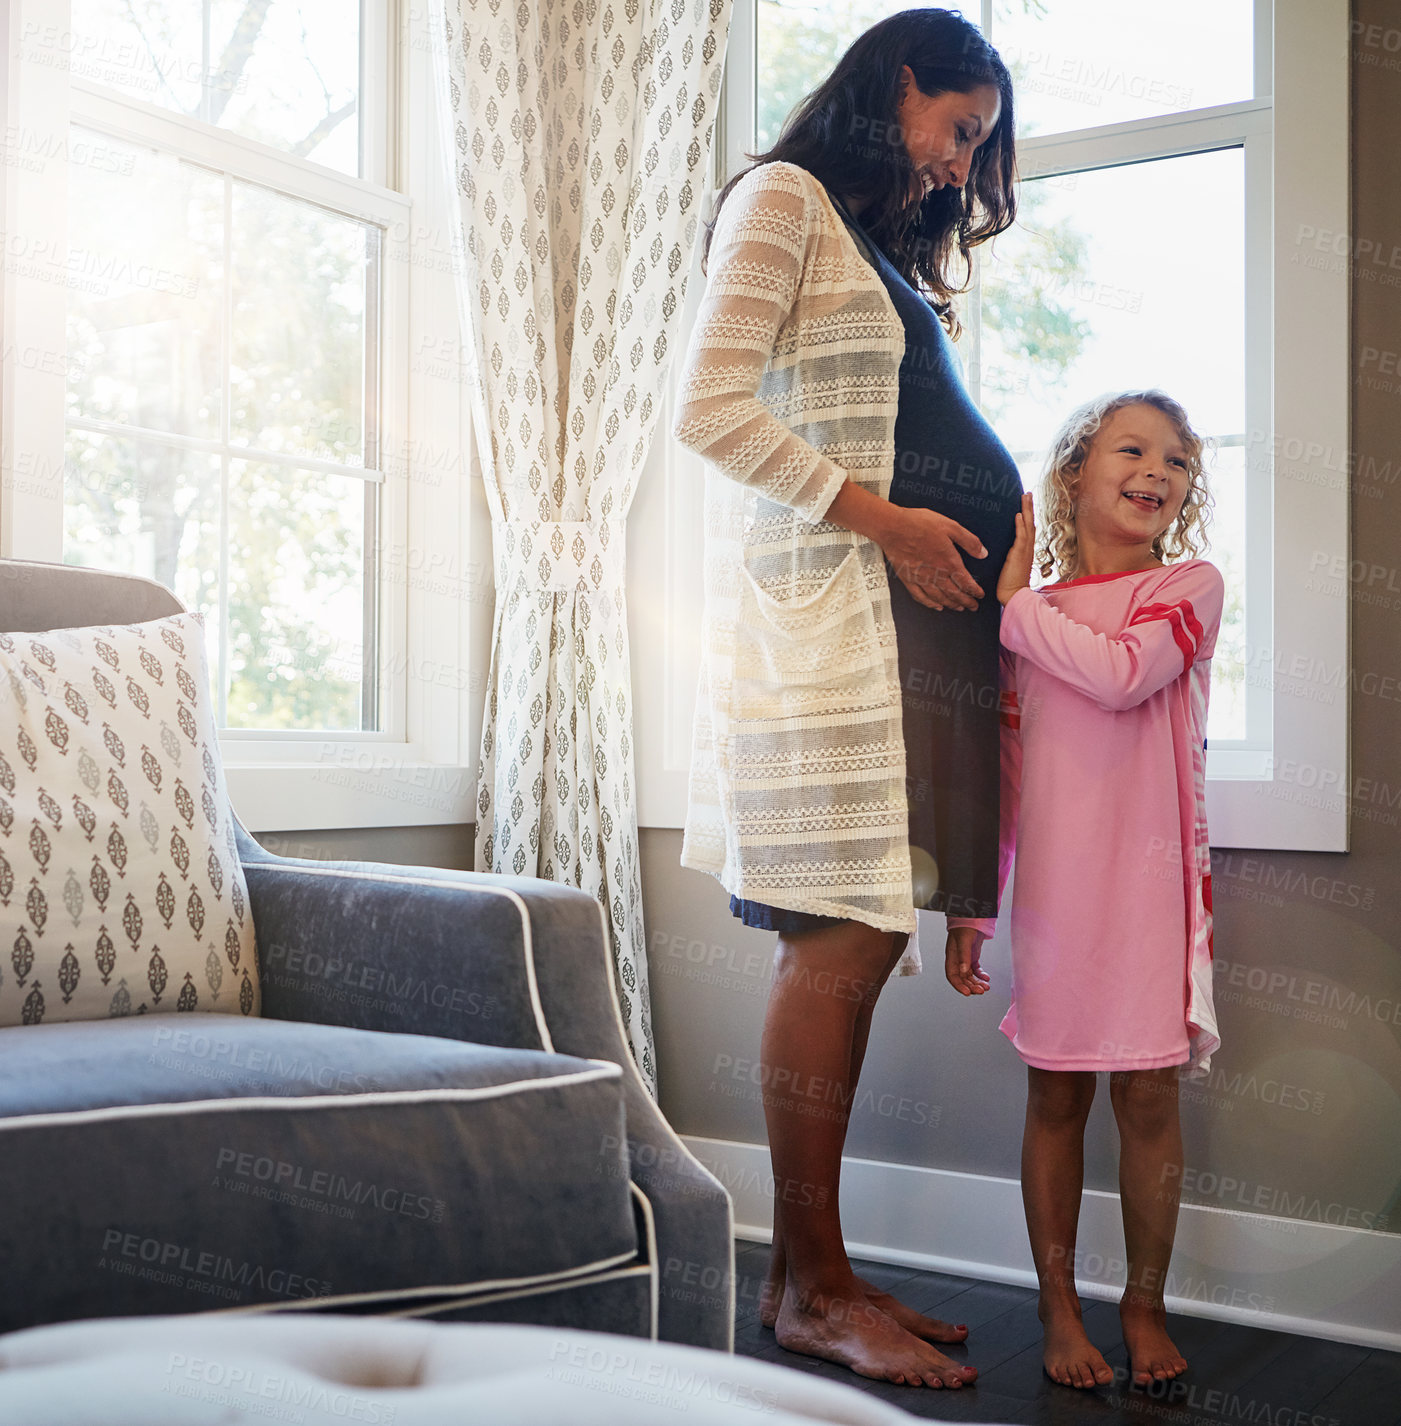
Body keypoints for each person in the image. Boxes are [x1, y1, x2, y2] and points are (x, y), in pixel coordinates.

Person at [671, 8, 1020, 1388]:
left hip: (901, 641)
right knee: (839, 939)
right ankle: (808, 1285)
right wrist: (891, 523)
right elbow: (708, 410)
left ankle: (810, 1272)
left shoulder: (872, 249)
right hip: (825, 635)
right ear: (898, 84)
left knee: (862, 941)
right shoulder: (781, 200)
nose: (958, 165)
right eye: (959, 129)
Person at [945, 390, 1223, 1391]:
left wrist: (1017, 611)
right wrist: (975, 909)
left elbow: (1120, 676)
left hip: (1151, 899)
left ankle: (1141, 1305)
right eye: (1134, 449)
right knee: (1055, 1096)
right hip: (1057, 902)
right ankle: (1057, 1307)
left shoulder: (1187, 588)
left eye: (1179, 460)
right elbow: (1007, 782)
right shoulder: (1031, 618)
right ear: (1073, 473)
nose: (1159, 470)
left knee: (1149, 1096)